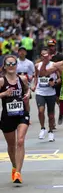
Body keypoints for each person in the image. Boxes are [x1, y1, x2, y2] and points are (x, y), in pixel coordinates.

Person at [0, 55, 31, 184]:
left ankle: (18, 172)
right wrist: (3, 94)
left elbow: (28, 90)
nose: (11, 66)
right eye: (9, 64)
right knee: (11, 145)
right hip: (7, 116)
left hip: (21, 113)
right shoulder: (1, 81)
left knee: (20, 141)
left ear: (17, 65)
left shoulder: (22, 79)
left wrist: (28, 95)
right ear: (5, 66)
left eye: (14, 64)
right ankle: (14, 165)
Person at [32, 48, 59, 141]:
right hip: (40, 92)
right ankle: (42, 128)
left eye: (46, 55)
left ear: (50, 56)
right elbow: (36, 76)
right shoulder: (37, 65)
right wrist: (34, 85)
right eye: (43, 55)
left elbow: (60, 78)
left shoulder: (54, 65)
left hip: (51, 93)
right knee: (41, 111)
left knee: (51, 115)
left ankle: (51, 131)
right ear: (41, 56)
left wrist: (54, 83)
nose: (45, 57)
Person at [48, 39, 63, 127]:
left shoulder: (61, 56)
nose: (51, 48)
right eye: (49, 46)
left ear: (55, 46)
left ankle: (61, 112)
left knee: (58, 98)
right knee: (52, 100)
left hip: (59, 81)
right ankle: (53, 121)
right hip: (49, 81)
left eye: (52, 46)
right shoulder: (46, 56)